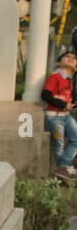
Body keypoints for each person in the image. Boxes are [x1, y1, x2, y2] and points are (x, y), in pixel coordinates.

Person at [42, 50, 77, 179]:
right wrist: (63, 105)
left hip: (66, 116)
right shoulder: (55, 76)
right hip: (55, 116)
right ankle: (63, 169)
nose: (71, 58)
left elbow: (65, 98)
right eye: (67, 56)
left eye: (74, 57)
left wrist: (73, 103)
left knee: (76, 139)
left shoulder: (69, 80)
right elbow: (45, 95)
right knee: (59, 143)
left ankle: (63, 167)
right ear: (58, 63)